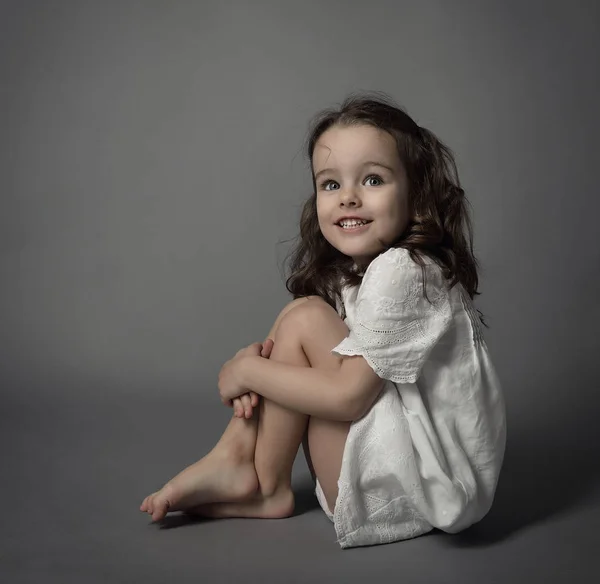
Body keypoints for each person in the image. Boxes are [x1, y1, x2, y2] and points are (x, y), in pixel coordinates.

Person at [139, 92, 507, 549]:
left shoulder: (407, 269)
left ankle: (251, 472)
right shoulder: (372, 269)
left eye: (373, 179)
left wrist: (248, 371)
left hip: (414, 494)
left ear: (417, 194)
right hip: (401, 473)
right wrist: (264, 366)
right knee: (302, 314)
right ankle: (245, 467)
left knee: (306, 318)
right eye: (330, 184)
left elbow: (349, 398)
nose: (348, 197)